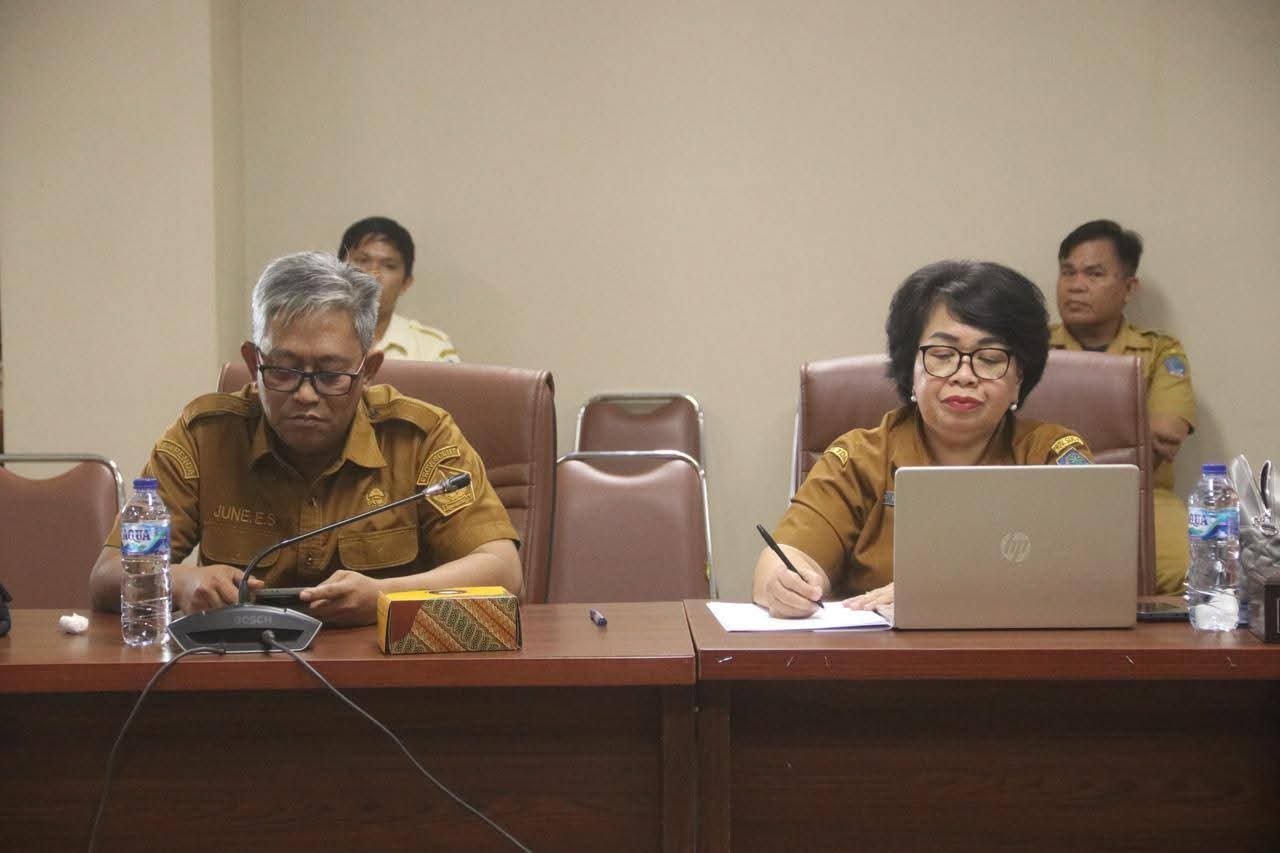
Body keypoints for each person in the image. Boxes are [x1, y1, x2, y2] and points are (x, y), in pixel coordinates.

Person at [90, 252, 521, 626]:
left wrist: (383, 595)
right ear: (253, 362)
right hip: (241, 670)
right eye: (283, 370)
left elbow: (503, 570)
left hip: (381, 673)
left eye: (331, 375)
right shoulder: (204, 437)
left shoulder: (420, 439)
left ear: (368, 371)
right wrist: (183, 581)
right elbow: (109, 574)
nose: (306, 394)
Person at [753, 260, 1094, 618]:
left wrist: (940, 594)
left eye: (990, 358)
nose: (964, 375)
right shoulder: (859, 458)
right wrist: (785, 584)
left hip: (1024, 649)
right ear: (909, 368)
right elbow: (785, 558)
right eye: (942, 355)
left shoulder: (1052, 454)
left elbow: (1097, 562)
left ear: (1019, 379)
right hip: (881, 651)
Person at [1051, 219, 1195, 594]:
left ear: (1129, 287)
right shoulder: (1032, 349)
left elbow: (1165, 436)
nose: (1076, 285)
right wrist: (1122, 438)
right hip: (1045, 492)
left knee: (1189, 568)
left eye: (1094, 273)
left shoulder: (1159, 351)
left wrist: (1059, 439)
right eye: (1068, 272)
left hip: (1140, 496)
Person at [337, 216, 460, 362]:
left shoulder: (433, 349)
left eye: (389, 266)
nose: (373, 275)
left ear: (406, 283)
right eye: (362, 260)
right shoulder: (312, 334)